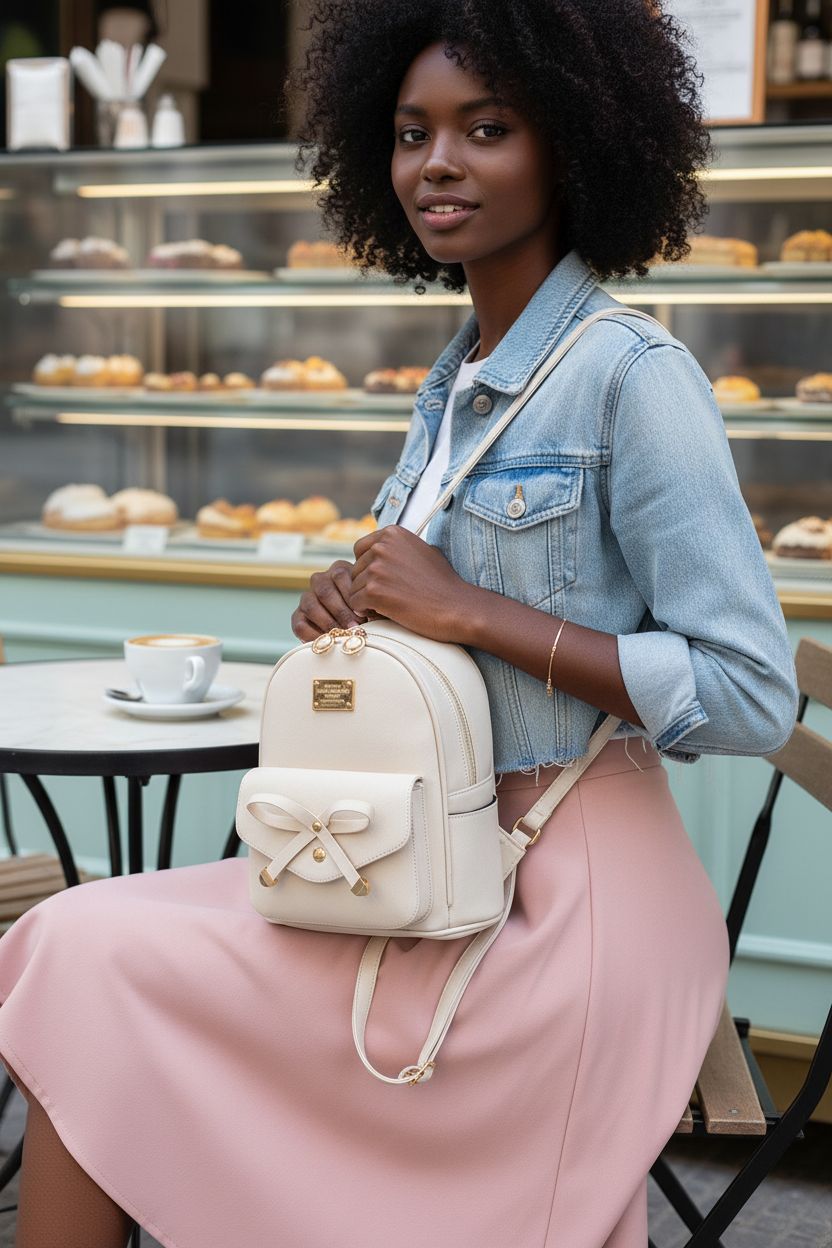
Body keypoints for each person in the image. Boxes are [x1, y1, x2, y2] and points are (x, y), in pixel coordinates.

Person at [0, 3, 799, 1246]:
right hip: (421, 868)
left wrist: (471, 612)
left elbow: (751, 692)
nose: (438, 163)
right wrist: (355, 597)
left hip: (561, 902)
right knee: (76, 954)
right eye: (410, 130)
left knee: (93, 958)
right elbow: (425, 602)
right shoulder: (453, 386)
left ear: (573, 144)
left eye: (487, 128)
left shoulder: (632, 377)